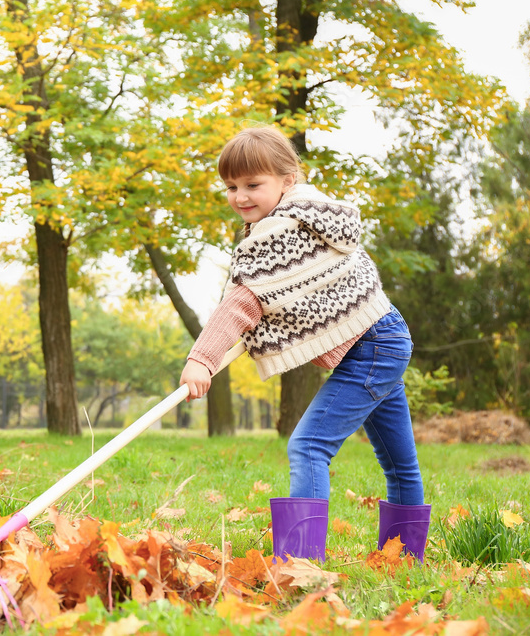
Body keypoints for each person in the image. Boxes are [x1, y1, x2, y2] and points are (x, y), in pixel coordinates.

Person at [180, 126, 431, 563]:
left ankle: (301, 564)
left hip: (373, 347)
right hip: (383, 337)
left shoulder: (279, 235)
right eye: (231, 187)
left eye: (253, 185)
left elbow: (241, 304)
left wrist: (201, 359)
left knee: (308, 446)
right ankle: (406, 558)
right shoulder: (310, 217)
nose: (240, 196)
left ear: (287, 180)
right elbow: (265, 300)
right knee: (398, 463)